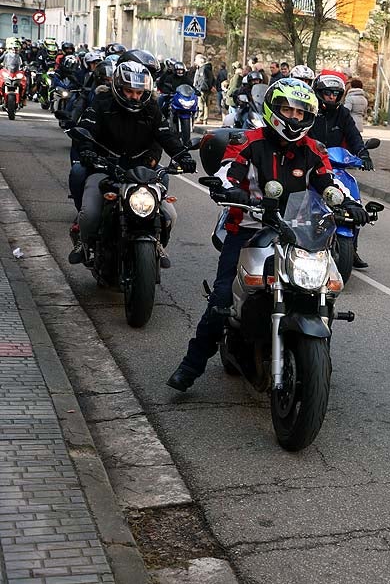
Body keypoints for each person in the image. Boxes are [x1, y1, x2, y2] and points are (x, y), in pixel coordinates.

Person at [167, 79, 368, 392]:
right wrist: (229, 188)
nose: (293, 116)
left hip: (297, 232)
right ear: (273, 108)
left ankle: (314, 361)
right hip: (249, 228)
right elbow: (228, 170)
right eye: (287, 108)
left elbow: (329, 181)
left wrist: (351, 204)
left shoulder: (313, 149)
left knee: (322, 288)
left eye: (300, 112)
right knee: (222, 298)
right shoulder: (250, 141)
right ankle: (191, 366)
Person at [69, 61, 197, 268]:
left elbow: (166, 135)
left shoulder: (151, 108)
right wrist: (88, 152)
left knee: (169, 214)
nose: (134, 97)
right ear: (118, 88)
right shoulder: (102, 103)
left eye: (139, 92)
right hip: (106, 168)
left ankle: (156, 242)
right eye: (129, 91)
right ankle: (83, 242)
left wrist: (183, 156)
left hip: (141, 172)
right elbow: (87, 129)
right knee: (90, 214)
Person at [309, 71, 373, 269]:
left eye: (336, 94)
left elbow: (353, 135)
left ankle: (351, 248)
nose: (332, 97)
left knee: (353, 200)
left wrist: (363, 153)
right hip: (310, 164)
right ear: (319, 92)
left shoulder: (343, 113)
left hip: (336, 166)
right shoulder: (309, 111)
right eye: (328, 93)